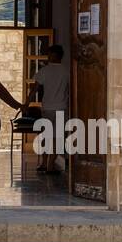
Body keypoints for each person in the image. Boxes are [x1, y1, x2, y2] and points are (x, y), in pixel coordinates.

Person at [31, 44, 69, 174]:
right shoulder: (66, 71)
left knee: (46, 136)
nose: (48, 57)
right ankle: (50, 166)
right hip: (61, 108)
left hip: (47, 108)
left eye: (49, 54)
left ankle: (43, 163)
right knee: (57, 138)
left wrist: (26, 103)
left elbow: (35, 89)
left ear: (54, 55)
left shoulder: (44, 71)